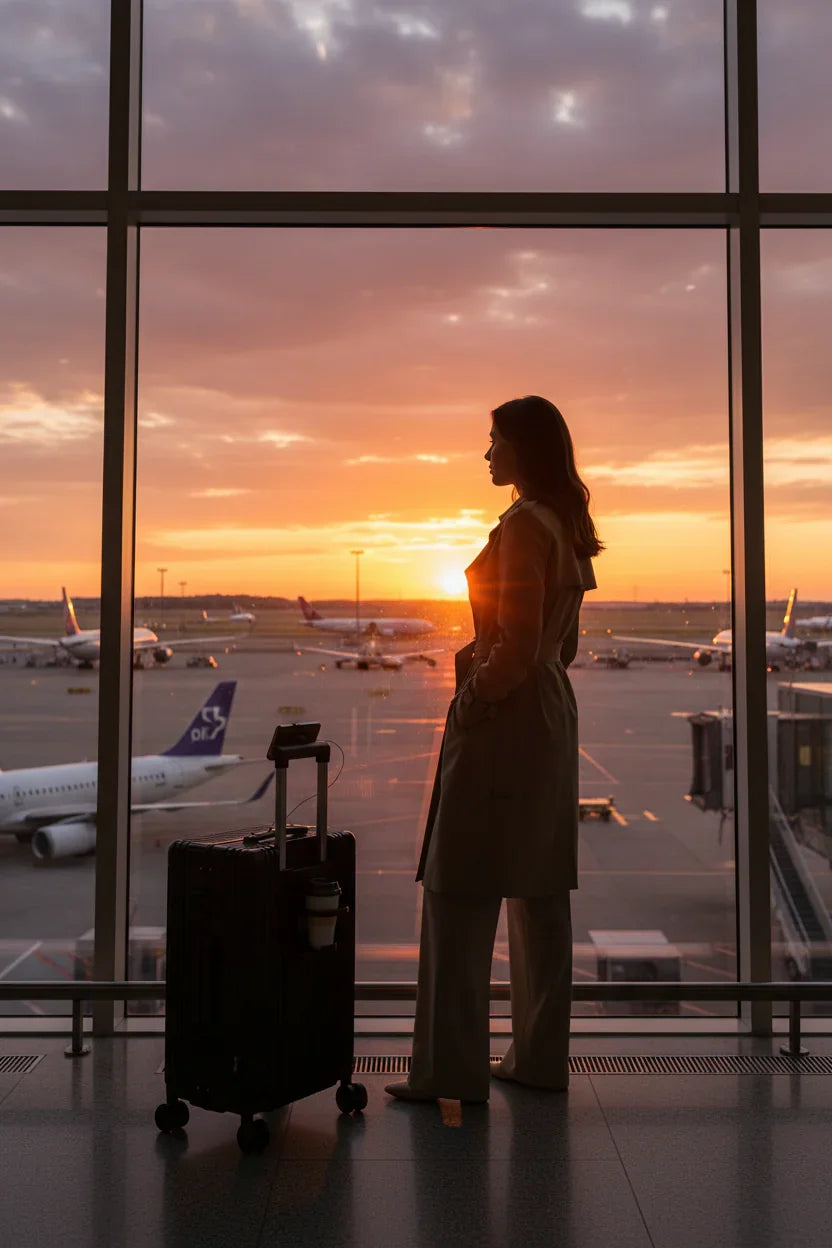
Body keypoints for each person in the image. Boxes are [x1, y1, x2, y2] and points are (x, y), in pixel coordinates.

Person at [385, 395, 602, 1104]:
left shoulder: (520, 526)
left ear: (522, 450)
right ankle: (538, 1059)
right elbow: (557, 644)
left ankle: (450, 1072)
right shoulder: (564, 524)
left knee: (458, 887)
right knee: (540, 894)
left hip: (505, 710)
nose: (485, 453)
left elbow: (511, 639)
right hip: (549, 709)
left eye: (494, 440)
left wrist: (474, 699)